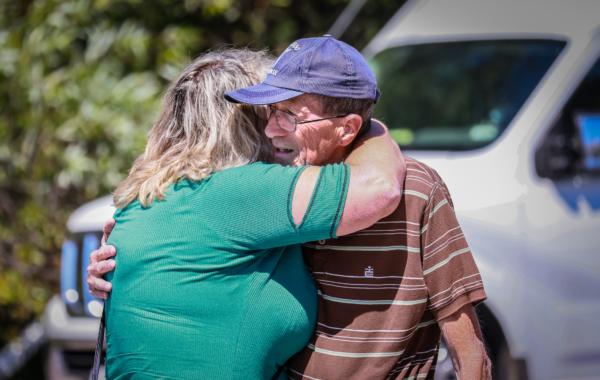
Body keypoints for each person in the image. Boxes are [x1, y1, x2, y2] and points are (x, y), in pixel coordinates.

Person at [90, 36, 491, 379]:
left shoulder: (146, 201)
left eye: (285, 113)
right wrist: (373, 127)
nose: (269, 129)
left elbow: (466, 341)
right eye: (266, 112)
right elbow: (377, 184)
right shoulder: (261, 194)